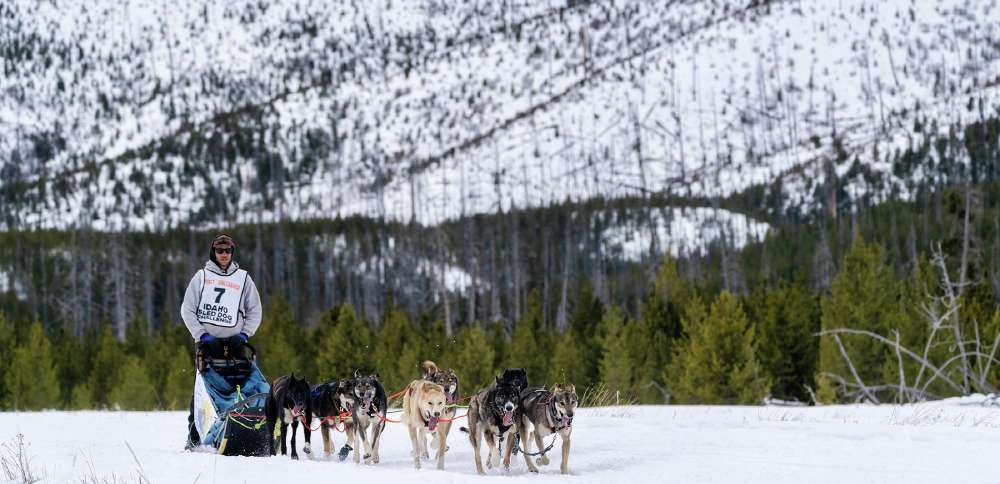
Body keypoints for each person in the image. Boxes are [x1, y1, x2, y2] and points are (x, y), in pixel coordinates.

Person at [181, 234, 263, 449]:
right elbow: (187, 309)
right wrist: (201, 334)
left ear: (232, 252)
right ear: (213, 252)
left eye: (227, 251)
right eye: (220, 251)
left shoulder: (243, 278)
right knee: (204, 390)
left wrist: (245, 334)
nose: (224, 255)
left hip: (236, 343)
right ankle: (195, 437)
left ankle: (249, 427)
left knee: (244, 386)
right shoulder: (202, 276)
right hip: (208, 344)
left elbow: (255, 310)